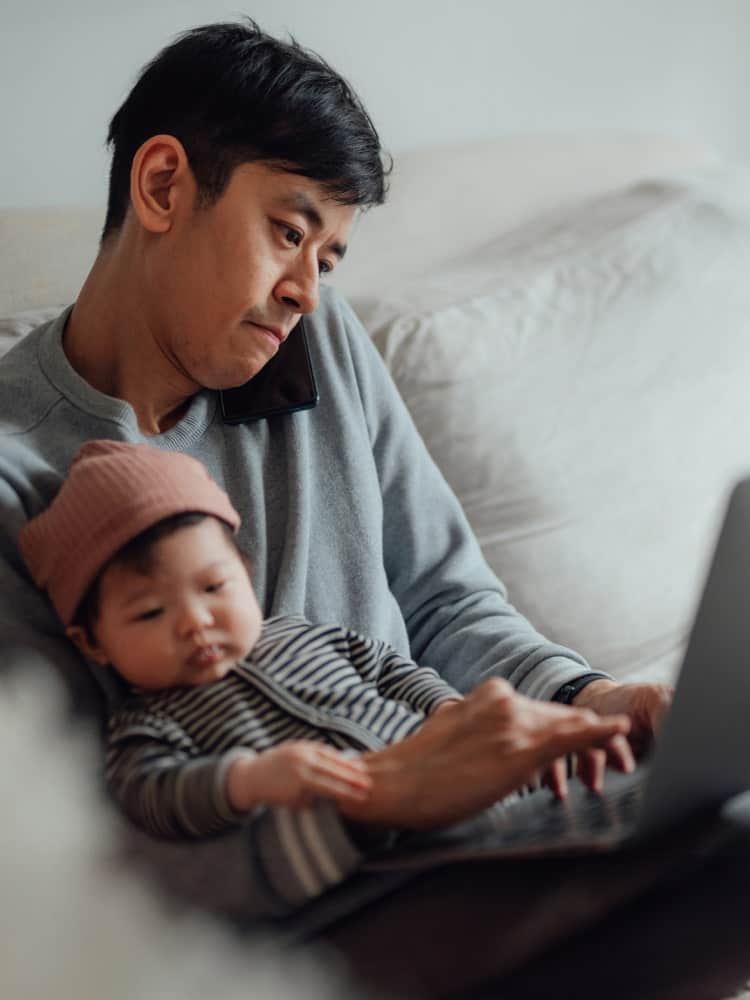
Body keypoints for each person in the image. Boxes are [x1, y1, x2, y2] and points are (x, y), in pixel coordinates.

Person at [0, 18, 671, 918]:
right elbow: (83, 848)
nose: (306, 290)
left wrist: (595, 700)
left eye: (329, 258)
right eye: (287, 233)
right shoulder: (19, 472)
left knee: (709, 822)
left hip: (472, 837)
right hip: (312, 908)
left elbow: (444, 601)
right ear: (163, 185)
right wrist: (380, 799)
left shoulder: (314, 339)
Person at [19, 439, 634, 904]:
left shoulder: (304, 633)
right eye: (151, 612)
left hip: (484, 786)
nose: (195, 623)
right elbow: (153, 797)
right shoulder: (145, 725)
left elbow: (392, 670)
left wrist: (451, 710)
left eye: (214, 586)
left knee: (620, 822)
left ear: (247, 572)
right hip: (387, 861)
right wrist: (248, 780)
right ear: (92, 642)